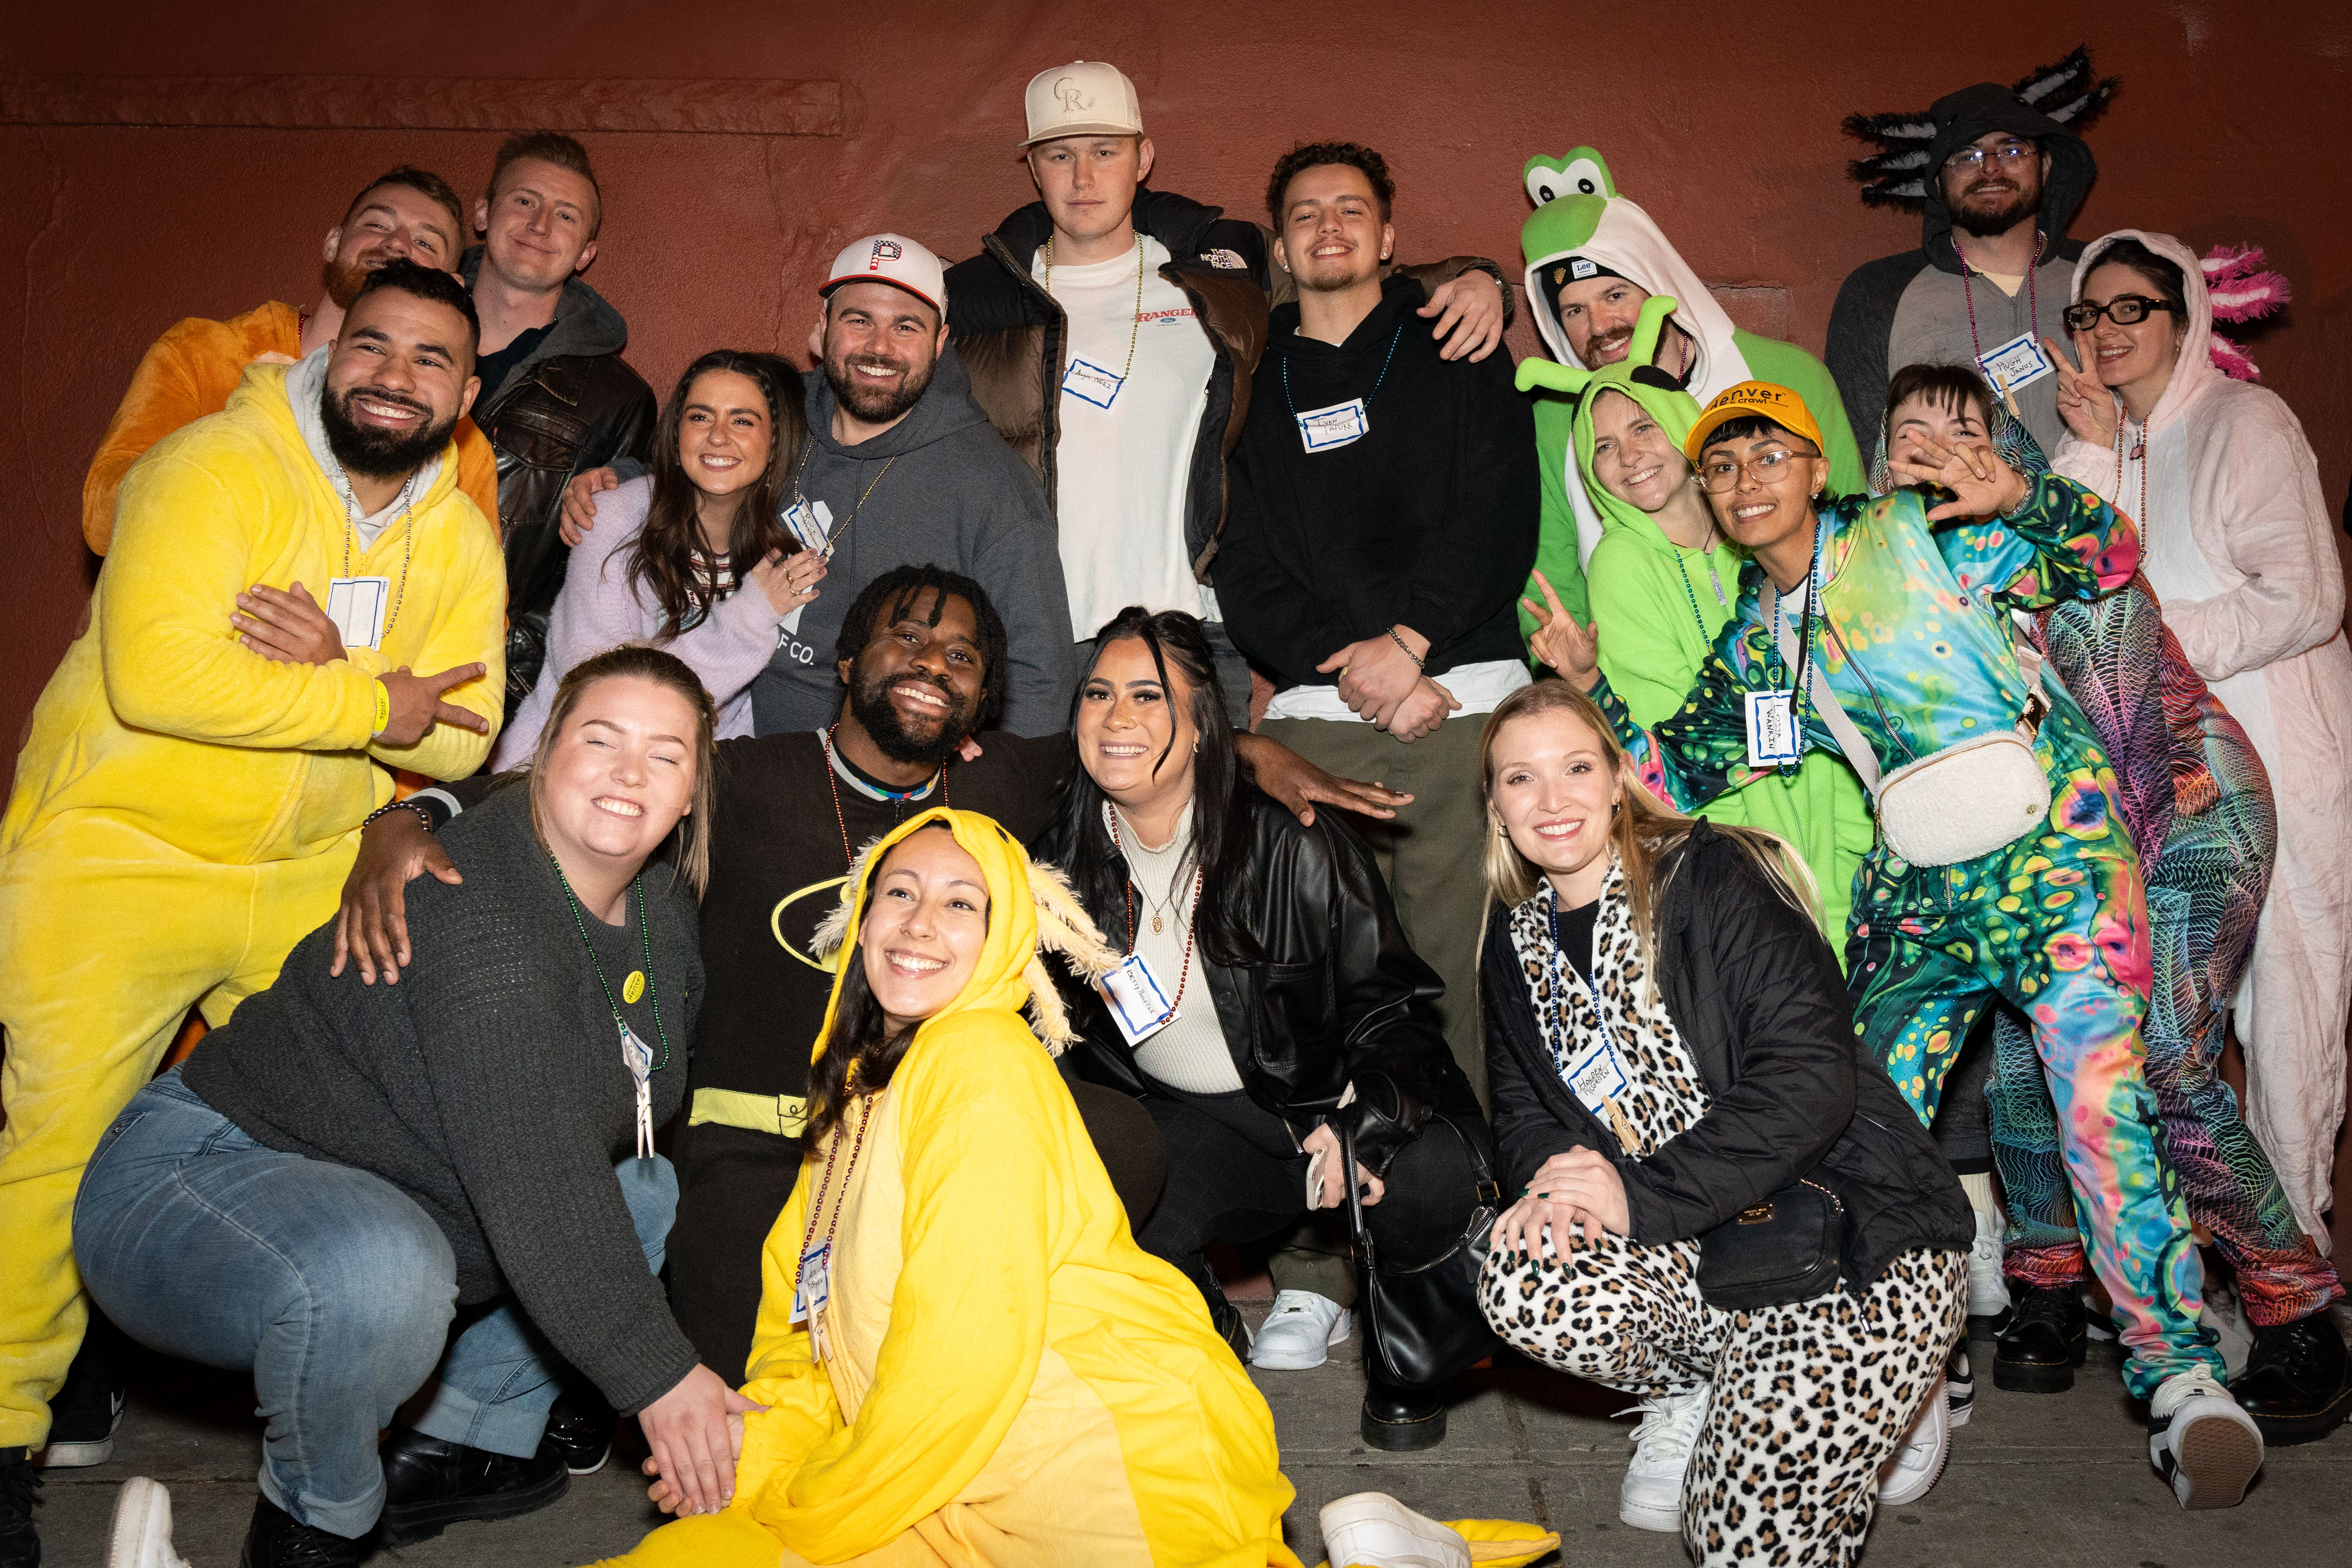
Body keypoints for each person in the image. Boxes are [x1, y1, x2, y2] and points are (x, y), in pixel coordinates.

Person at [340, 566, 1403, 1388]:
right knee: (747, 1401)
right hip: (762, 1145)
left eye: (962, 657)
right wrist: (406, 818)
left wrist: (1256, 754)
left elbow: (1158, 739)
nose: (932, 663)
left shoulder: (1015, 782)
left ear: (986, 701)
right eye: (906, 635)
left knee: (1120, 1144)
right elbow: (567, 787)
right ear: (844, 661)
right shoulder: (737, 777)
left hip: (938, 1139)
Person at [1527, 378, 2270, 1509]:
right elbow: (1673, 780)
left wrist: (2024, 494)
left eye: (1767, 455)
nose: (1743, 482)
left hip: (2054, 858)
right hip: (1918, 894)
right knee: (1859, 1128)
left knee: (2097, 1107)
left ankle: (2182, 1385)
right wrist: (1591, 696)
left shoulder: (1919, 529)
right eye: (1721, 467)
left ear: (1818, 468)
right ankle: (1907, 1383)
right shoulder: (1754, 641)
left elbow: (2107, 564)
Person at [0, 259, 505, 1559]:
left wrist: (339, 670)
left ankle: (316, 1443)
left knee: (362, 1136)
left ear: (467, 388)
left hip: (302, 871)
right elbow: (160, 675)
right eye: (376, 347)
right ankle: (4, 1438)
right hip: (118, 854)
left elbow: (469, 733)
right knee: (56, 1148)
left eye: (431, 359)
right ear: (334, 353)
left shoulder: (456, 529)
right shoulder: (209, 470)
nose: (397, 376)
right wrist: (370, 704)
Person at [75, 649, 745, 1568]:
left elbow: (590, 1139)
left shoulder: (663, 905)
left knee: (641, 1189)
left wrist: (411, 806)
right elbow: (538, 1176)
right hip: (197, 1180)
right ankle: (318, 1525)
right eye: (602, 737)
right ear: (547, 752)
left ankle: (459, 1441)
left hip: (411, 1201)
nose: (631, 771)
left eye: (666, 755)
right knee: (386, 1267)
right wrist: (664, 1380)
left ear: (691, 794)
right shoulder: (474, 912)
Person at [580, 808, 1305, 1568]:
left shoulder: (978, 1062)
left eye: (961, 902)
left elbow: (961, 1352)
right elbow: (804, 1341)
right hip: (934, 1477)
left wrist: (806, 1496)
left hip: (1091, 1480)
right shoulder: (854, 1088)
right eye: (899, 893)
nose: (921, 923)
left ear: (1003, 938)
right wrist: (748, 1448)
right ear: (860, 922)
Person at [1873, 365, 2342, 1426]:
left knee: (2158, 1050)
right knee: (2018, 1058)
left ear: (2000, 448)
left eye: (1963, 434)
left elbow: (2127, 750)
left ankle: (2292, 1307)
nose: (1939, 454)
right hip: (2056, 848)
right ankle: (2044, 1285)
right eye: (1912, 437)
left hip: (2181, 811)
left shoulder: (2067, 551)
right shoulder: (1903, 589)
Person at [1475, 678, 1969, 1556]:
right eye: (1521, 779)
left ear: (1619, 777)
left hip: (1851, 1238)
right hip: (1702, 1242)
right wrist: (1558, 1181)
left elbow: (1811, 1080)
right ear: (1495, 804)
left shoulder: (1711, 876)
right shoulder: (1519, 943)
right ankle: (1712, 1381)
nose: (1552, 800)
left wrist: (1639, 1195)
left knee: (1739, 1538)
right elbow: (1522, 1114)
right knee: (1527, 1274)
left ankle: (1846, 1398)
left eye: (1576, 767)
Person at [942, 59, 1512, 723]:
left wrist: (1477, 279)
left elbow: (1338, 266)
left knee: (1203, 829)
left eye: (1105, 151)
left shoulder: (1218, 270)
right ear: (1035, 169)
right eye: (1060, 155)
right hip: (1032, 641)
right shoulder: (977, 298)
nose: (1084, 176)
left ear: (1143, 158)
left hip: (1195, 631)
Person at [1041, 610, 1488, 1449]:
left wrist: (1365, 1124)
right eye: (1098, 693)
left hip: (1322, 1103)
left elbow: (1391, 1006)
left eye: (1149, 695)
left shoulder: (1292, 843)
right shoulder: (1060, 854)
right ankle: (1208, 1332)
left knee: (1425, 1169)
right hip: (1194, 1123)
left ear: (1206, 719)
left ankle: (1405, 1361)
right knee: (1115, 1216)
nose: (1116, 716)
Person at [2044, 232, 2352, 1432]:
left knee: (2289, 1018)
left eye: (2135, 306)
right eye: (2089, 312)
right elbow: (2068, 583)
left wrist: (2157, 652)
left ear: (2183, 317)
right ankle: (2248, 1294)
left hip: (2277, 755)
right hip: (2157, 789)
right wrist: (2083, 442)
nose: (2110, 329)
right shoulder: (2105, 444)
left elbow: (2306, 593)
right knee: (2172, 1039)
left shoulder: (2245, 425)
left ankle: (2300, 1295)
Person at [1220, 140, 1539, 1108]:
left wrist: (1407, 649)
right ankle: (1323, 1250)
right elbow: (1236, 557)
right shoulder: (1243, 374)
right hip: (1313, 725)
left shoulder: (1457, 340)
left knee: (1471, 990)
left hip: (1464, 709)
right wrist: (1361, 673)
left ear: (1389, 236)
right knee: (1310, 992)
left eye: (1351, 209)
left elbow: (1497, 515)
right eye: (1306, 213)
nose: (1329, 226)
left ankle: (1479, 1218)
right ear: (1277, 245)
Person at [558, 234, 1079, 738]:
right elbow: (697, 449)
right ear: (824, 325)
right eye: (859, 320)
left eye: (906, 327)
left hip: (874, 778)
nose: (880, 348)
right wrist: (620, 478)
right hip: (718, 732)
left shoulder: (993, 483)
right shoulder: (778, 410)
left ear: (941, 342)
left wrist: (982, 806)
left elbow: (1040, 676)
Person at [1515, 295, 1873, 956]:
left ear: (1685, 429)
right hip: (1739, 855)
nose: (1627, 456)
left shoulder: (1758, 526)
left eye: (1644, 430)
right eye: (1603, 448)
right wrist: (1760, 862)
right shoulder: (1621, 564)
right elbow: (1675, 744)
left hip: (1843, 823)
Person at [1514, 146, 1865, 624]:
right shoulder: (1553, 421)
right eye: (1574, 311)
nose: (1600, 326)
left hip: (1806, 653)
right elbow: (1551, 585)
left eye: (1615, 295)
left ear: (1658, 284)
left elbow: (1856, 527)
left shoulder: (1786, 375)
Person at [80, 164, 500, 556]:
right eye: (377, 224)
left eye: (425, 242)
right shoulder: (205, 353)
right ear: (333, 243)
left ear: (450, 284)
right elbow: (103, 520)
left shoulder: (457, 443)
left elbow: (474, 604)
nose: (396, 245)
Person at [494, 350, 820, 766]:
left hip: (678, 797)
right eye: (700, 417)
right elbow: (604, 692)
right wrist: (751, 615)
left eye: (742, 420)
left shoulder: (780, 552)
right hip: (554, 775)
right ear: (676, 433)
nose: (718, 436)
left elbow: (738, 721)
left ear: (775, 442)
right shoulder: (615, 519)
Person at [462, 131, 659, 727]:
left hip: (486, 681)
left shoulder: (617, 399)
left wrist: (511, 682)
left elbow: (599, 578)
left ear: (586, 252)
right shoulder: (397, 334)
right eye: (524, 201)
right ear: (482, 213)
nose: (540, 224)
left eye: (565, 215)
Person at [1829, 67, 2102, 459]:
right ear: (1938, 182)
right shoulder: (1877, 292)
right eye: (1966, 156)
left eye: (2012, 150)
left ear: (2044, 167)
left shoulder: (2102, 274)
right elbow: (1861, 455)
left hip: (2100, 514)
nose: (1990, 168)